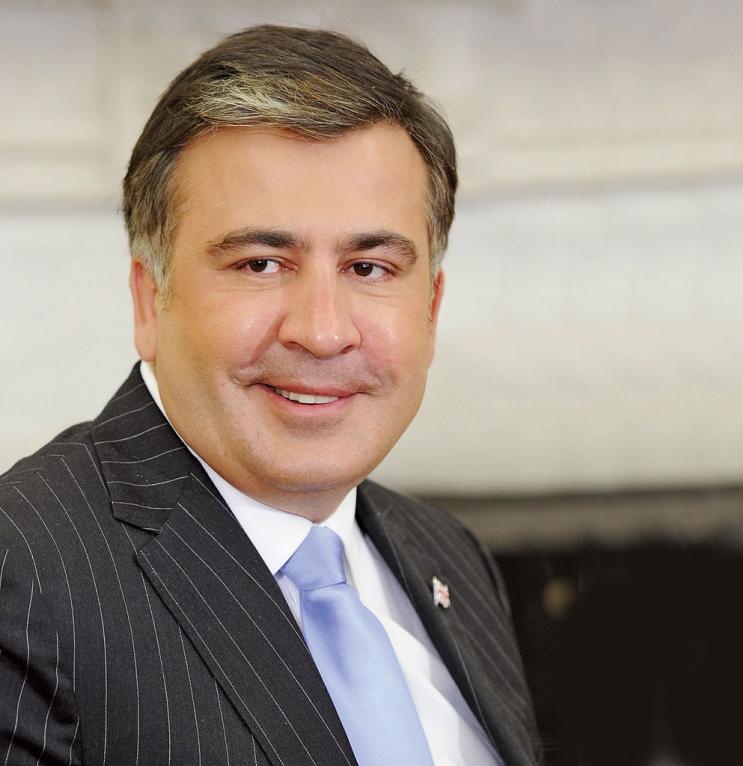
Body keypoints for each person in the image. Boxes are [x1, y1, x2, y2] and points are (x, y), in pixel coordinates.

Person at [0, 25, 539, 766]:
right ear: (150, 300)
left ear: (431, 309)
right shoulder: (24, 571)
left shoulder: (453, 558)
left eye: (370, 268)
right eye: (261, 264)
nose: (322, 332)